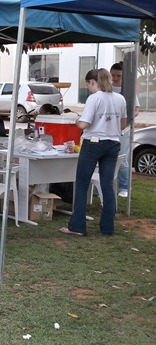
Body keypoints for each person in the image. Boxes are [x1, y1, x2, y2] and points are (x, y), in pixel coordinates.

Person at [60, 69, 126, 237]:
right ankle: (107, 228)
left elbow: (84, 124)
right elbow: (123, 124)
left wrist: (77, 121)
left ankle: (77, 226)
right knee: (107, 186)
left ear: (92, 82)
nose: (88, 88)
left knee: (82, 185)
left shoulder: (94, 98)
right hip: (113, 143)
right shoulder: (120, 98)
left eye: (88, 85)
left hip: (93, 143)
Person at [110, 61, 139, 199]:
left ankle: (124, 187)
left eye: (119, 76)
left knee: (122, 158)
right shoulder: (106, 89)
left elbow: (136, 110)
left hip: (124, 129)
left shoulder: (128, 90)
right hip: (108, 129)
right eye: (113, 75)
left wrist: (126, 118)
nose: (115, 78)